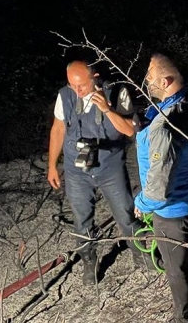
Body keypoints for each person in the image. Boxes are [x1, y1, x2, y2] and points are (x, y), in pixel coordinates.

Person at [134, 53, 188, 323]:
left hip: (173, 210)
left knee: (176, 271)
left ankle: (186, 318)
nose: (145, 81)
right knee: (186, 260)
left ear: (166, 80)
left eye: (149, 76)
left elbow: (159, 189)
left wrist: (141, 204)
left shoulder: (166, 126)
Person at [47, 60, 141, 285]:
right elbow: (58, 128)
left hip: (110, 165)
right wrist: (52, 165)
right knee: (81, 218)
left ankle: (141, 251)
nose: (77, 91)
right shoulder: (66, 95)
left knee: (125, 212)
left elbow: (130, 130)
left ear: (95, 77)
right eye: (73, 85)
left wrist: (107, 109)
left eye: (82, 86)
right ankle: (89, 259)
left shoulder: (117, 92)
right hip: (76, 168)